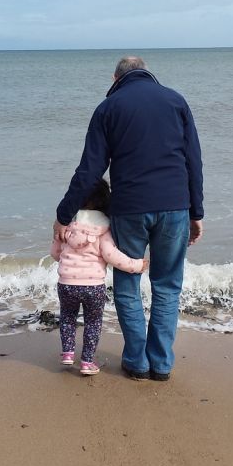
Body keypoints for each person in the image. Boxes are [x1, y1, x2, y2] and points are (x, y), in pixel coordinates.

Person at [53, 56, 203, 381]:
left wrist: (64, 214)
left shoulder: (108, 108)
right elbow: (193, 160)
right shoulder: (176, 101)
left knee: (127, 285)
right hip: (175, 207)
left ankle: (136, 362)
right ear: (149, 73)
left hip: (130, 208)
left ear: (115, 77)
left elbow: (90, 170)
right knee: (166, 286)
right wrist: (197, 212)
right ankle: (161, 365)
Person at [50, 178, 148, 376]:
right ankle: (87, 362)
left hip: (66, 283)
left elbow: (55, 253)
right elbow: (112, 256)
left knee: (68, 317)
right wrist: (137, 265)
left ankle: (68, 353)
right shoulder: (104, 228)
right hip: (93, 286)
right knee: (93, 322)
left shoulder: (68, 225)